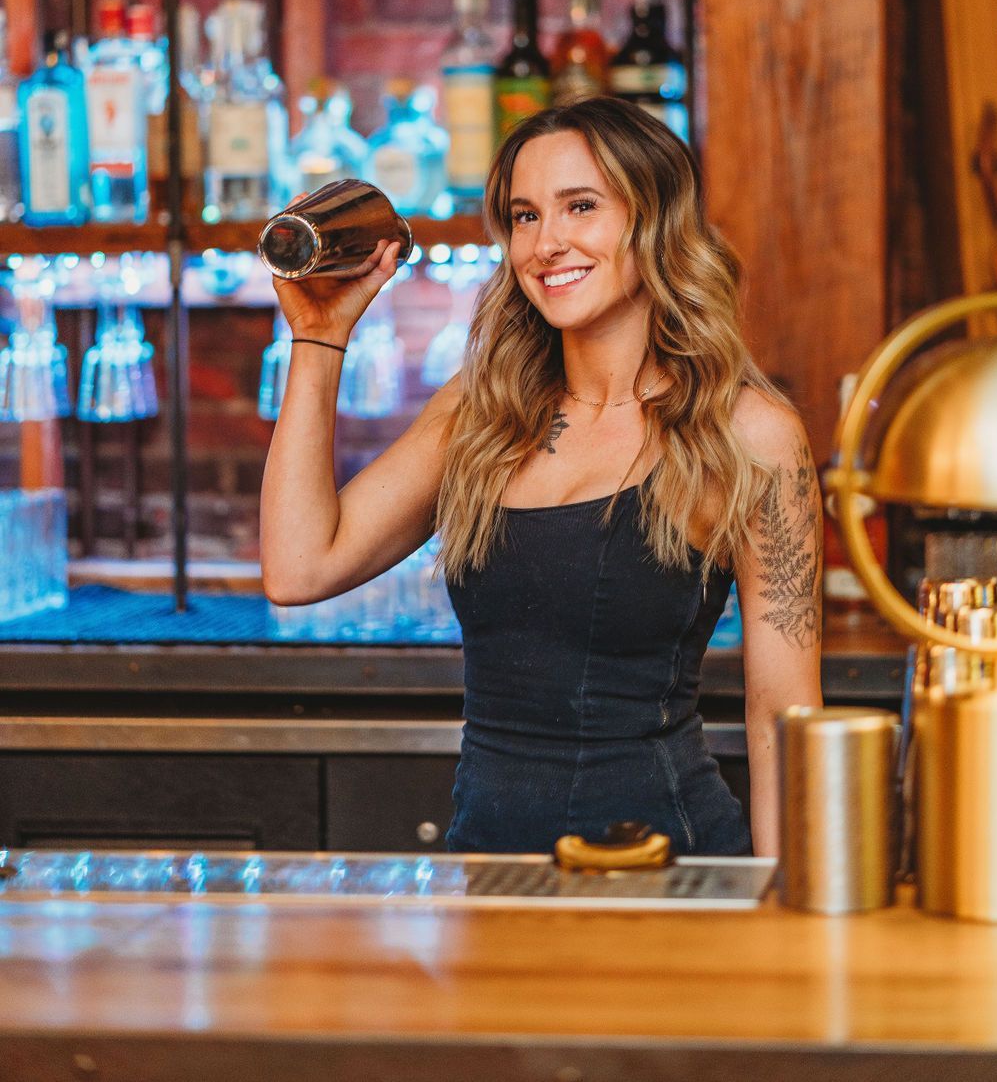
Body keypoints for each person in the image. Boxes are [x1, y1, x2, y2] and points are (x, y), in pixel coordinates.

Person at [262, 96, 823, 857]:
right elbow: (299, 567)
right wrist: (319, 338)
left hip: (665, 877)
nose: (546, 243)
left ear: (652, 220)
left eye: (580, 206)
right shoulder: (482, 411)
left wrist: (791, 923)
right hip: (490, 878)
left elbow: (784, 717)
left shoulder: (745, 434)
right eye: (525, 216)